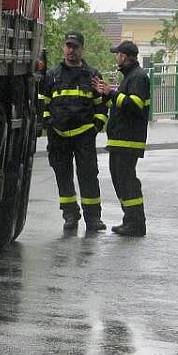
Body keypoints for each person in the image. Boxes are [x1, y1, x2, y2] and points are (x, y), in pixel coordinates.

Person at [40, 31, 108, 231]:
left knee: (88, 176)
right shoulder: (52, 76)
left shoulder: (93, 75)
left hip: (84, 136)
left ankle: (93, 218)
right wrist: (48, 123)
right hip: (58, 136)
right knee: (63, 176)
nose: (71, 50)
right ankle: (70, 215)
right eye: (68, 46)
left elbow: (102, 104)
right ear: (64, 48)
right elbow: (43, 103)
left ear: (82, 49)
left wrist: (97, 125)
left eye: (75, 47)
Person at [92, 41, 150, 237]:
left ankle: (136, 223)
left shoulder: (138, 77)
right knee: (121, 180)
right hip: (121, 140)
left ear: (124, 56)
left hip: (128, 140)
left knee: (126, 181)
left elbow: (135, 105)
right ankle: (130, 220)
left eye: (117, 54)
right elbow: (122, 102)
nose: (115, 57)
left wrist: (112, 93)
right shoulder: (131, 77)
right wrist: (107, 94)